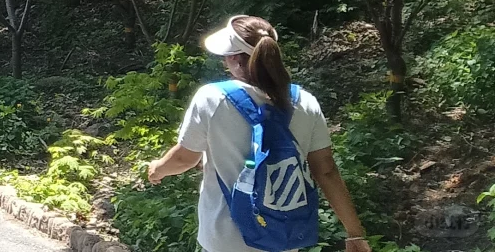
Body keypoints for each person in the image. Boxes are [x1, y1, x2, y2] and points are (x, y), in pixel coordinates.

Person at [148, 15, 371, 252]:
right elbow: (325, 170)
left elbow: (185, 158)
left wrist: (157, 169)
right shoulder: (306, 102)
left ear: (233, 58)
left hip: (226, 240)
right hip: (281, 237)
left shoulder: (212, 98)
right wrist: (355, 233)